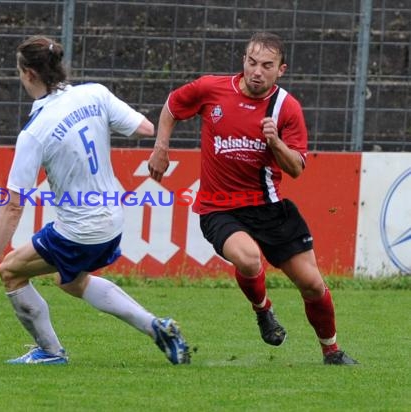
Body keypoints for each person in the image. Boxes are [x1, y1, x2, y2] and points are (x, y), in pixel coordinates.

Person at [0, 35, 190, 365]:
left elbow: (13, 204)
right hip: (111, 219)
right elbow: (144, 127)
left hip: (80, 229)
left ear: (28, 74)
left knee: (11, 271)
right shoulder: (94, 93)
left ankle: (51, 352)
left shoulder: (35, 131)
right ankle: (157, 328)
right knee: (68, 280)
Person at [148, 32, 357, 365]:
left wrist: (276, 144)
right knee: (248, 259)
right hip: (219, 208)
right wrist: (161, 148)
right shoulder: (211, 89)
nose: (257, 71)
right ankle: (264, 311)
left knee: (313, 284)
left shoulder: (286, 107)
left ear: (281, 70)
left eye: (267, 66)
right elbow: (172, 106)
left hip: (269, 208)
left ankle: (331, 351)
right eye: (251, 62)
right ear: (244, 60)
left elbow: (297, 169)